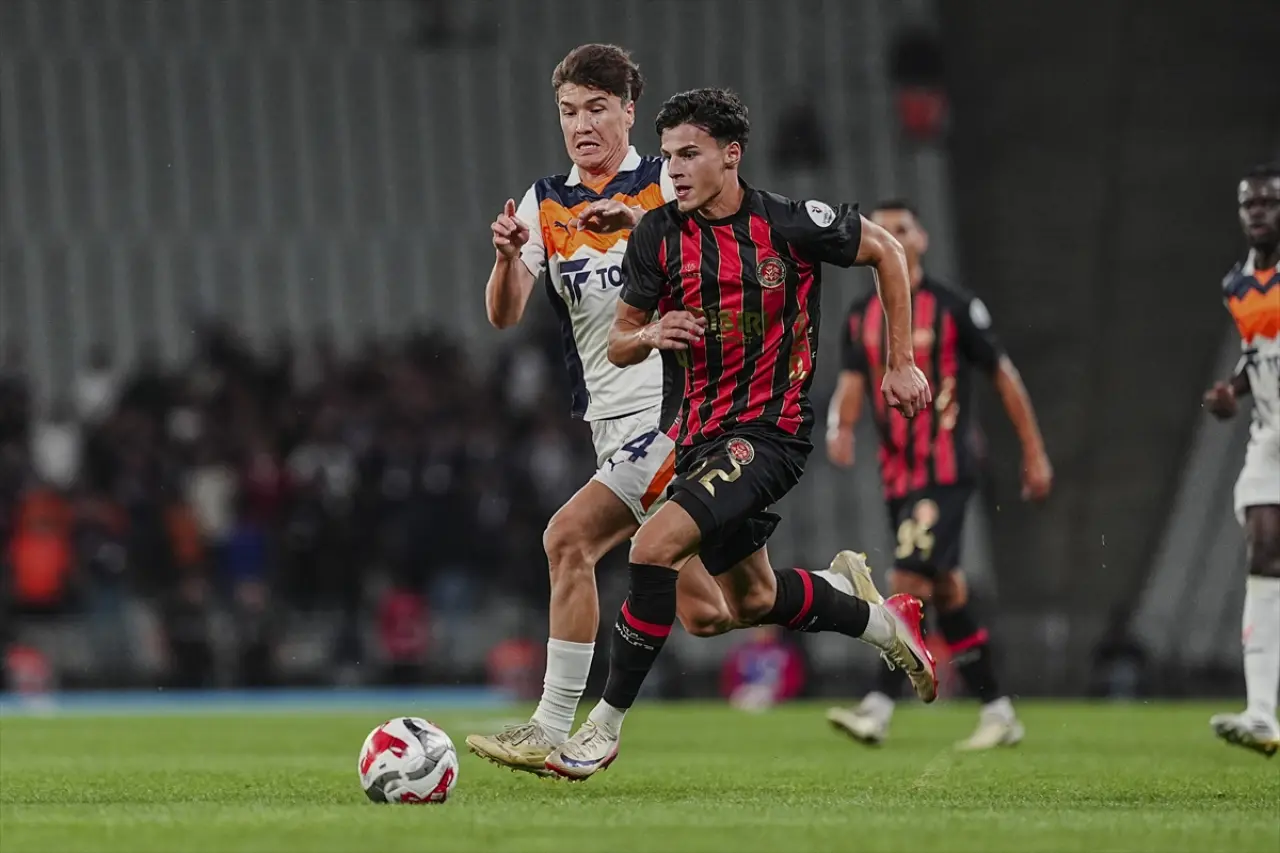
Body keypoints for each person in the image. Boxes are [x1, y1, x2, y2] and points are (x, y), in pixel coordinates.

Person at [466, 47, 879, 775]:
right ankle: (855, 602)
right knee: (719, 610)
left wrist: (634, 216)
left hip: (672, 416)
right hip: (608, 424)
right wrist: (506, 259)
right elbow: (504, 315)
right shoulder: (544, 203)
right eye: (568, 111)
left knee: (569, 540)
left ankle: (556, 725)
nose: (582, 125)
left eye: (597, 109)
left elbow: (726, 228)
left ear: (629, 111)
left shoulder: (673, 176)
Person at [544, 87, 937, 780]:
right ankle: (883, 621)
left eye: (690, 154)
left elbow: (886, 253)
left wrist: (900, 361)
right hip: (698, 439)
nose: (675, 169)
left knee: (651, 547)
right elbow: (620, 342)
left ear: (732, 155)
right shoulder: (657, 235)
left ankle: (601, 728)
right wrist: (652, 333)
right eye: (668, 156)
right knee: (743, 603)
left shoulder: (788, 223)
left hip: (769, 433)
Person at [822, 200, 1052, 750]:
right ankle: (999, 711)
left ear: (921, 238)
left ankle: (878, 706)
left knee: (907, 578)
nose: (893, 237)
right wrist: (840, 426)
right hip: (896, 474)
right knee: (947, 590)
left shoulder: (954, 306)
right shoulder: (861, 315)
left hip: (946, 469)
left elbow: (1002, 375)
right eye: (883, 229)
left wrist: (1034, 451)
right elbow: (852, 379)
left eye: (902, 228)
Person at [1203, 163, 1280, 758]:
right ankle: (1260, 713)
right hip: (1270, 438)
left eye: (1269, 202)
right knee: (1262, 544)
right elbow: (1258, 356)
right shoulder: (1237, 285)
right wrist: (1231, 390)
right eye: (1248, 203)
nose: (1257, 212)